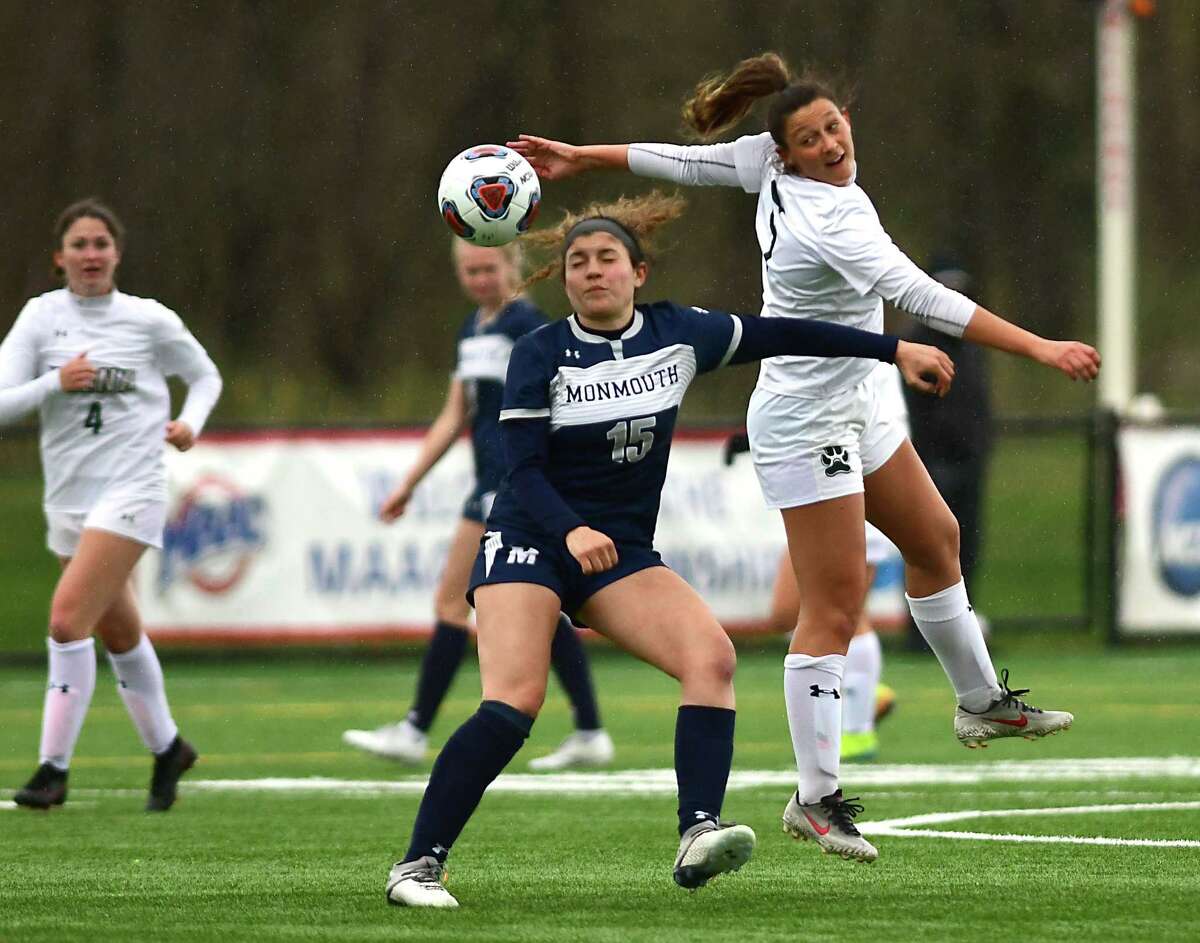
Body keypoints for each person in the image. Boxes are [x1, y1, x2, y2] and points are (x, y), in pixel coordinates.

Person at [510, 51, 1100, 863]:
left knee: (935, 538)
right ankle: (816, 798)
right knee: (834, 603)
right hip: (803, 416)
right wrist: (1042, 346)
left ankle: (980, 700)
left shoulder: (768, 166)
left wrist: (584, 156)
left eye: (835, 125)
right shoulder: (835, 221)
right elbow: (926, 297)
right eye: (812, 137)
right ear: (785, 154)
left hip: (856, 400)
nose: (831, 143)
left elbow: (682, 160)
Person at [383, 193, 954, 907]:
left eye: (607, 260)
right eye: (578, 264)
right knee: (515, 699)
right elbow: (520, 471)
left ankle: (697, 830)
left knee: (710, 657)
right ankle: (417, 866)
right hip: (531, 536)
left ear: (638, 272)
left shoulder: (679, 333)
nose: (593, 272)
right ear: (565, 281)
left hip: (616, 548)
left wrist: (893, 347)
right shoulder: (539, 352)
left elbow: (784, 332)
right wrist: (570, 530)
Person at [342, 239, 614, 770]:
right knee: (540, 606)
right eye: (470, 271)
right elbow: (455, 414)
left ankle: (416, 728)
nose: (480, 279)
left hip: (513, 485)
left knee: (453, 602)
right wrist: (409, 482)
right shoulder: (473, 329)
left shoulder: (528, 327)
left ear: (513, 265)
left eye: (489, 268)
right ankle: (589, 729)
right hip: (486, 483)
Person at [0, 199, 222, 812]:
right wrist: (54, 382)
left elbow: (205, 376)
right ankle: (169, 747)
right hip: (69, 497)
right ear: (59, 257)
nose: (91, 254)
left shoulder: (147, 320)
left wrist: (191, 422)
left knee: (67, 619)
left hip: (134, 486)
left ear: (117, 253)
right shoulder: (40, 320)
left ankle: (52, 770)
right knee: (119, 632)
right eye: (80, 245)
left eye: (101, 243)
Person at [727, 362, 909, 763]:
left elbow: (862, 423)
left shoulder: (867, 356)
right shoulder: (817, 344)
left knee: (844, 613)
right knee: (785, 614)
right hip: (817, 486)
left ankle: (857, 730)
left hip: (852, 484)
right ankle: (858, 688)